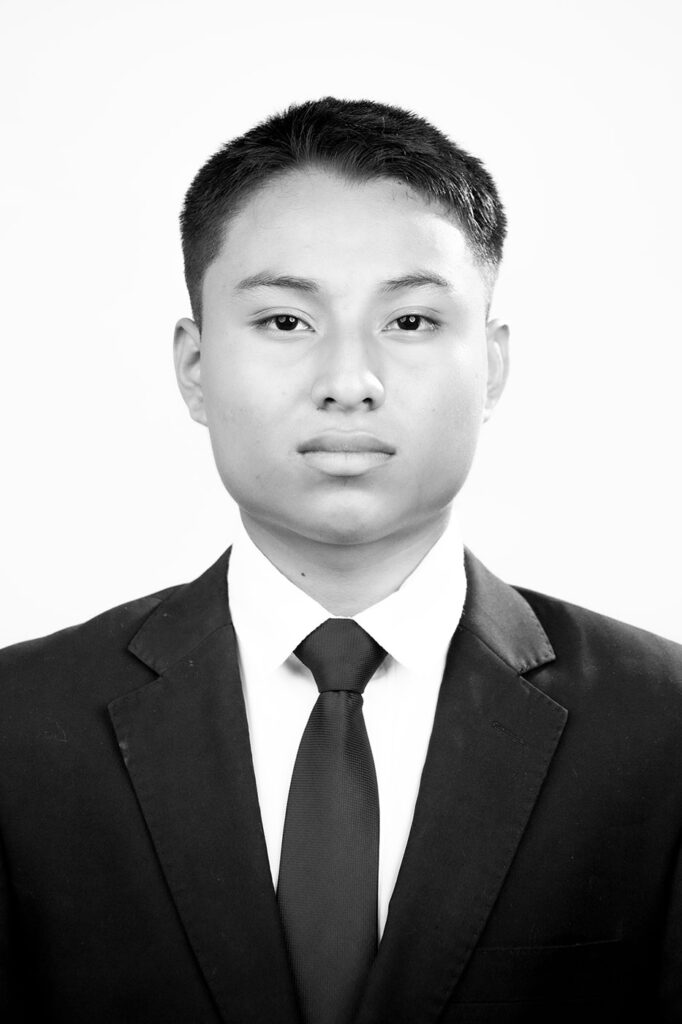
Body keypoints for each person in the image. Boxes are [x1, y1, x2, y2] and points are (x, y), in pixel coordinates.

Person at [1, 97, 680, 1024]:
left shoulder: (661, 730)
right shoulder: (21, 728)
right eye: (286, 321)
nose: (349, 382)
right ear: (195, 366)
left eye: (411, 321)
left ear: (492, 365)